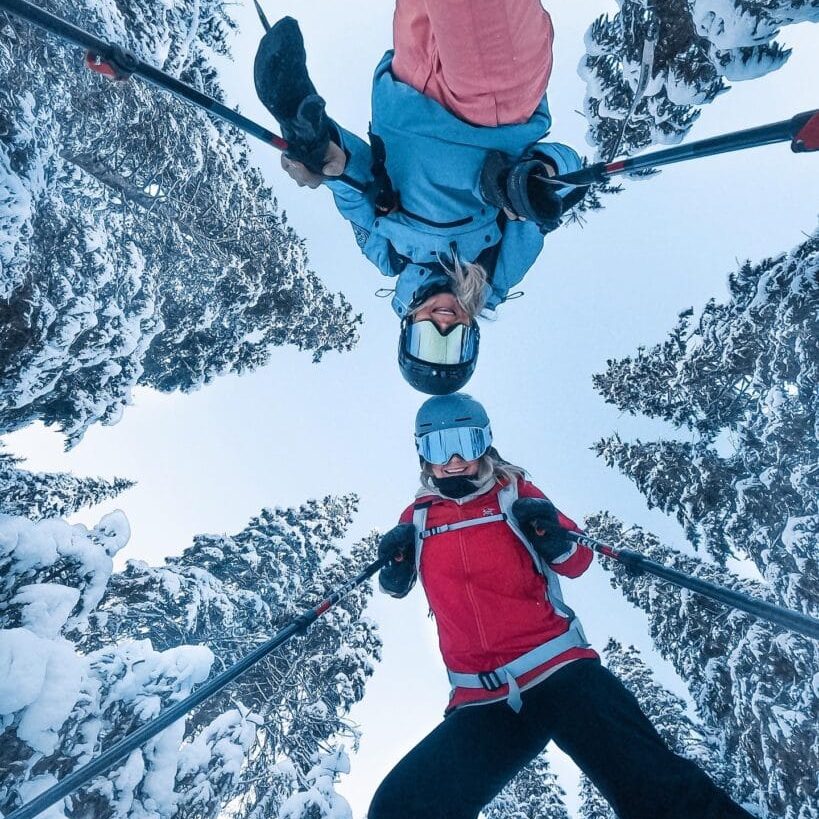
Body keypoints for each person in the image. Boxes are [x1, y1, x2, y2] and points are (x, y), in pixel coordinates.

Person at [370, 392, 757, 819]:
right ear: (422, 454)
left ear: (486, 443)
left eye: (466, 442)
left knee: (656, 790)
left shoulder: (513, 494)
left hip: (559, 673)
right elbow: (397, 583)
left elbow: (577, 560)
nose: (455, 460)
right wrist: (394, 572)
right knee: (401, 807)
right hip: (482, 699)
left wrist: (552, 536)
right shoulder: (419, 518)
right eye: (439, 447)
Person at [253, 1, 588, 394]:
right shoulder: (498, 269)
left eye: (428, 342)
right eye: (455, 344)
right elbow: (566, 183)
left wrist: (324, 154)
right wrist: (537, 180)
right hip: (488, 110)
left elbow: (355, 188)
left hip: (406, 89)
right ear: (472, 335)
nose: (443, 325)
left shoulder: (387, 255)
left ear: (407, 328)